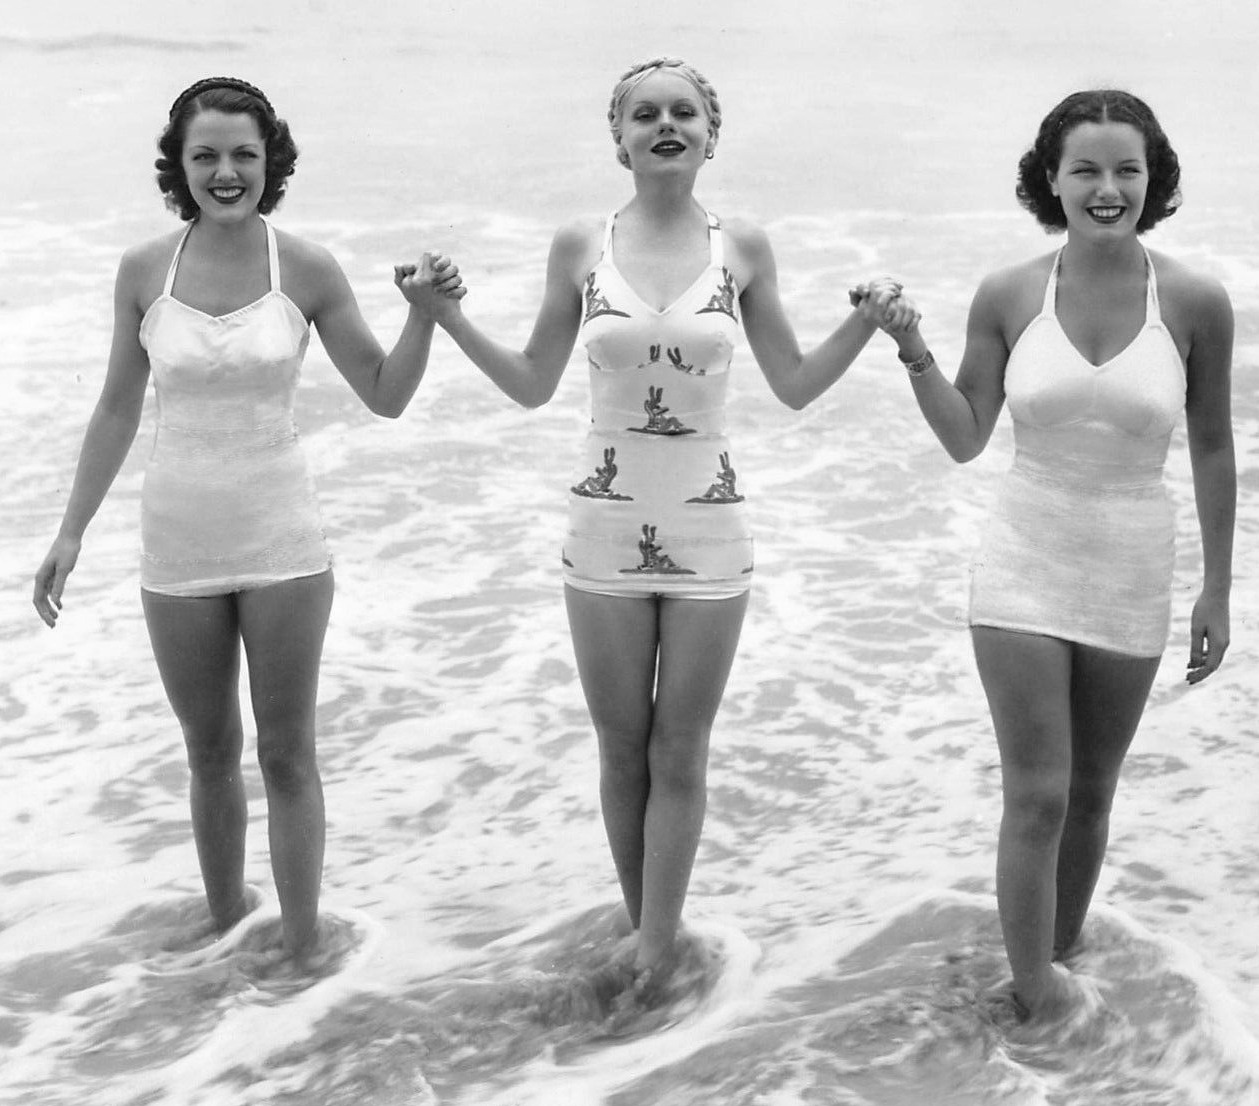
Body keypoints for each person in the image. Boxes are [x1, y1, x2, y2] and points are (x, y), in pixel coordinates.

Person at [410, 57, 912, 989]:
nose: (666, 125)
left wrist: (870, 325)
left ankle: (653, 953)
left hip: (710, 530)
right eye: (645, 114)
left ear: (711, 136)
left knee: (678, 748)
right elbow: (530, 383)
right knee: (620, 749)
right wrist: (445, 318)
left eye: (685, 112)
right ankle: (650, 937)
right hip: (602, 527)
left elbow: (794, 385)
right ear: (620, 138)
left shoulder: (742, 246)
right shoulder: (580, 244)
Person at [31, 77, 461, 958]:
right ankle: (225, 934)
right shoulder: (143, 270)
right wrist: (70, 532)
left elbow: (385, 394)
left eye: (243, 156)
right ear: (178, 165)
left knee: (286, 754)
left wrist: (424, 319)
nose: (225, 173)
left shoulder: (306, 268)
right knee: (208, 751)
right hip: (176, 543)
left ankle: (302, 949)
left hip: (281, 542)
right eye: (206, 156)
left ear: (272, 162)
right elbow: (116, 406)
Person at [862, 89, 1235, 1022]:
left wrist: (1218, 589)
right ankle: (1033, 998)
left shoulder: (1194, 300)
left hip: (1131, 564)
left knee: (1092, 795)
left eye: (1126, 170)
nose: (1107, 188)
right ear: (1051, 180)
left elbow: (1212, 447)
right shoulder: (1008, 293)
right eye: (1085, 170)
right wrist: (910, 348)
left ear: (1153, 180)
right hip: (1023, 557)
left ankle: (1051, 961)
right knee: (1036, 796)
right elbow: (964, 436)